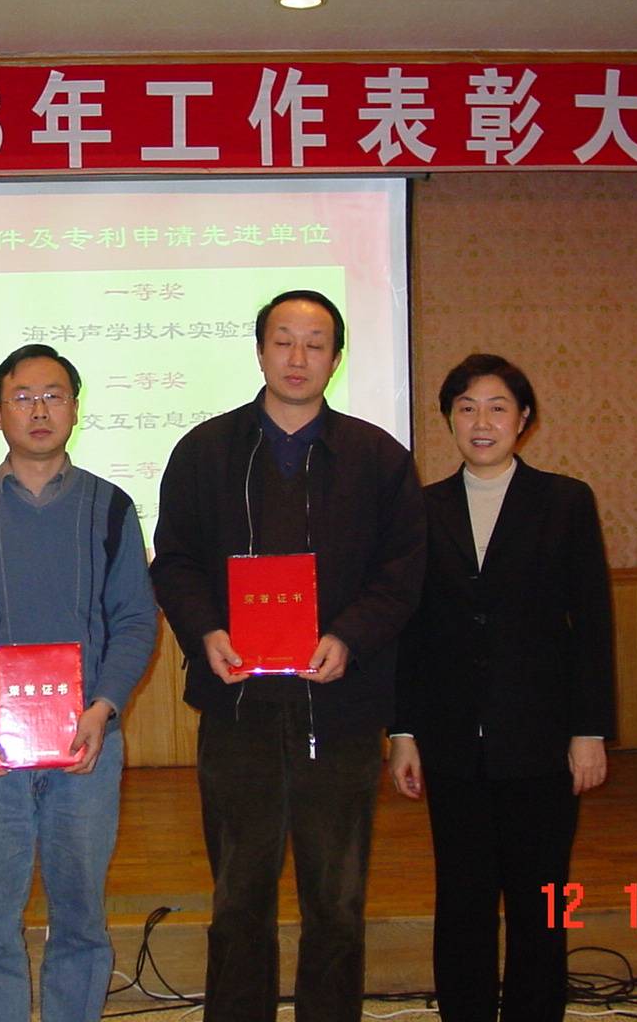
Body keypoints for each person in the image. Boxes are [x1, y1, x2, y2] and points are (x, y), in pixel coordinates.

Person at [151, 290, 426, 1022]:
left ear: (336, 359)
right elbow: (174, 560)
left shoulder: (376, 458)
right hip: (237, 707)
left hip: (339, 710)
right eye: (283, 340)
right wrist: (205, 631)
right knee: (239, 896)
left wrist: (350, 637)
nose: (297, 357)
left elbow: (402, 574)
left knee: (336, 900)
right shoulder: (205, 451)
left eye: (315, 343)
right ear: (259, 350)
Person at [0, 343, 158, 1022]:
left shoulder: (111, 507)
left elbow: (135, 621)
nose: (38, 410)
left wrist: (105, 707)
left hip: (87, 743)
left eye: (53, 396)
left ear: (75, 409)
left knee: (81, 915)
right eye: (22, 397)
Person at [389, 353, 615, 1022]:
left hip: (542, 738)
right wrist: (403, 731)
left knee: (541, 900)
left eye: (496, 408)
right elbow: (409, 631)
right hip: (451, 741)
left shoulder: (565, 502)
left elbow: (592, 622)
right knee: (462, 899)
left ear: (524, 419)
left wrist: (589, 729)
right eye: (466, 408)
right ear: (448, 420)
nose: (481, 422)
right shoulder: (420, 509)